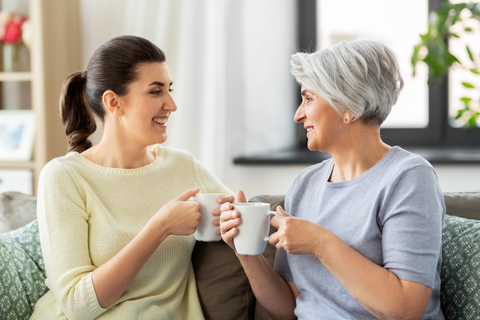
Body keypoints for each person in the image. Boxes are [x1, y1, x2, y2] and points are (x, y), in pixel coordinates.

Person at [220, 39, 445, 320]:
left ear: (348, 106)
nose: (298, 114)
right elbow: (289, 308)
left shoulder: (409, 177)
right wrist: (246, 251)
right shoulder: (305, 184)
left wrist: (320, 243)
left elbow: (405, 308)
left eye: (309, 98)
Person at [31, 35, 233, 320]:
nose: (171, 105)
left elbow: (240, 213)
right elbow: (76, 305)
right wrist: (159, 227)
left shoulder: (183, 166)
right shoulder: (64, 177)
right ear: (114, 102)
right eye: (155, 92)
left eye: (169, 90)